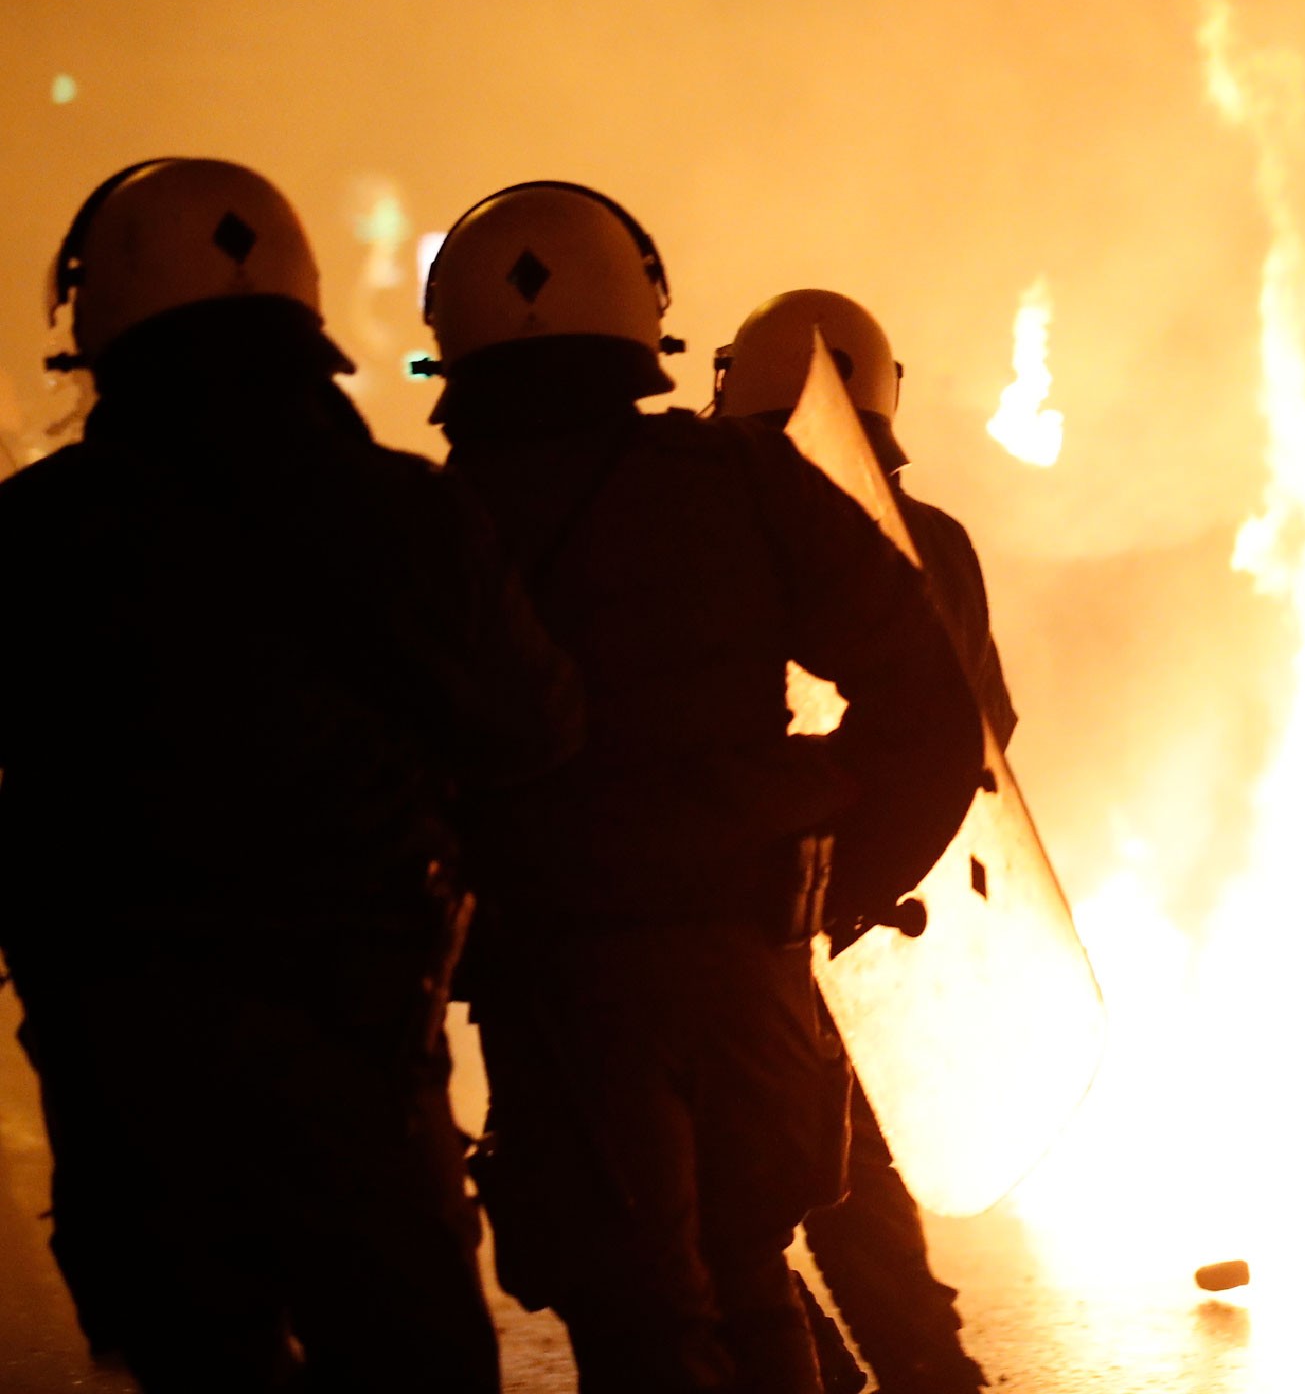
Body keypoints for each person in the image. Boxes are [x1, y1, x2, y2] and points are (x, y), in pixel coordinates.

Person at [0, 159, 580, 1392]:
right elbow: (530, 729)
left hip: (127, 1074)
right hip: (361, 1047)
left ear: (98, 321)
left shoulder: (34, 533)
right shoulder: (409, 513)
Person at [422, 182, 983, 1393]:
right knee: (745, 1272)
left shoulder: (426, 520)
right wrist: (834, 870)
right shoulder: (738, 484)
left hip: (559, 979)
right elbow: (932, 705)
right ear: (645, 314)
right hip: (746, 965)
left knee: (643, 1322)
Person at [712, 288, 1012, 1394]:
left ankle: (847, 1375)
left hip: (751, 901)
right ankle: (923, 1372)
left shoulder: (699, 528)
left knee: (706, 1199)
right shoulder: (932, 542)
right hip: (873, 901)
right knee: (843, 1160)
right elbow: (981, 723)